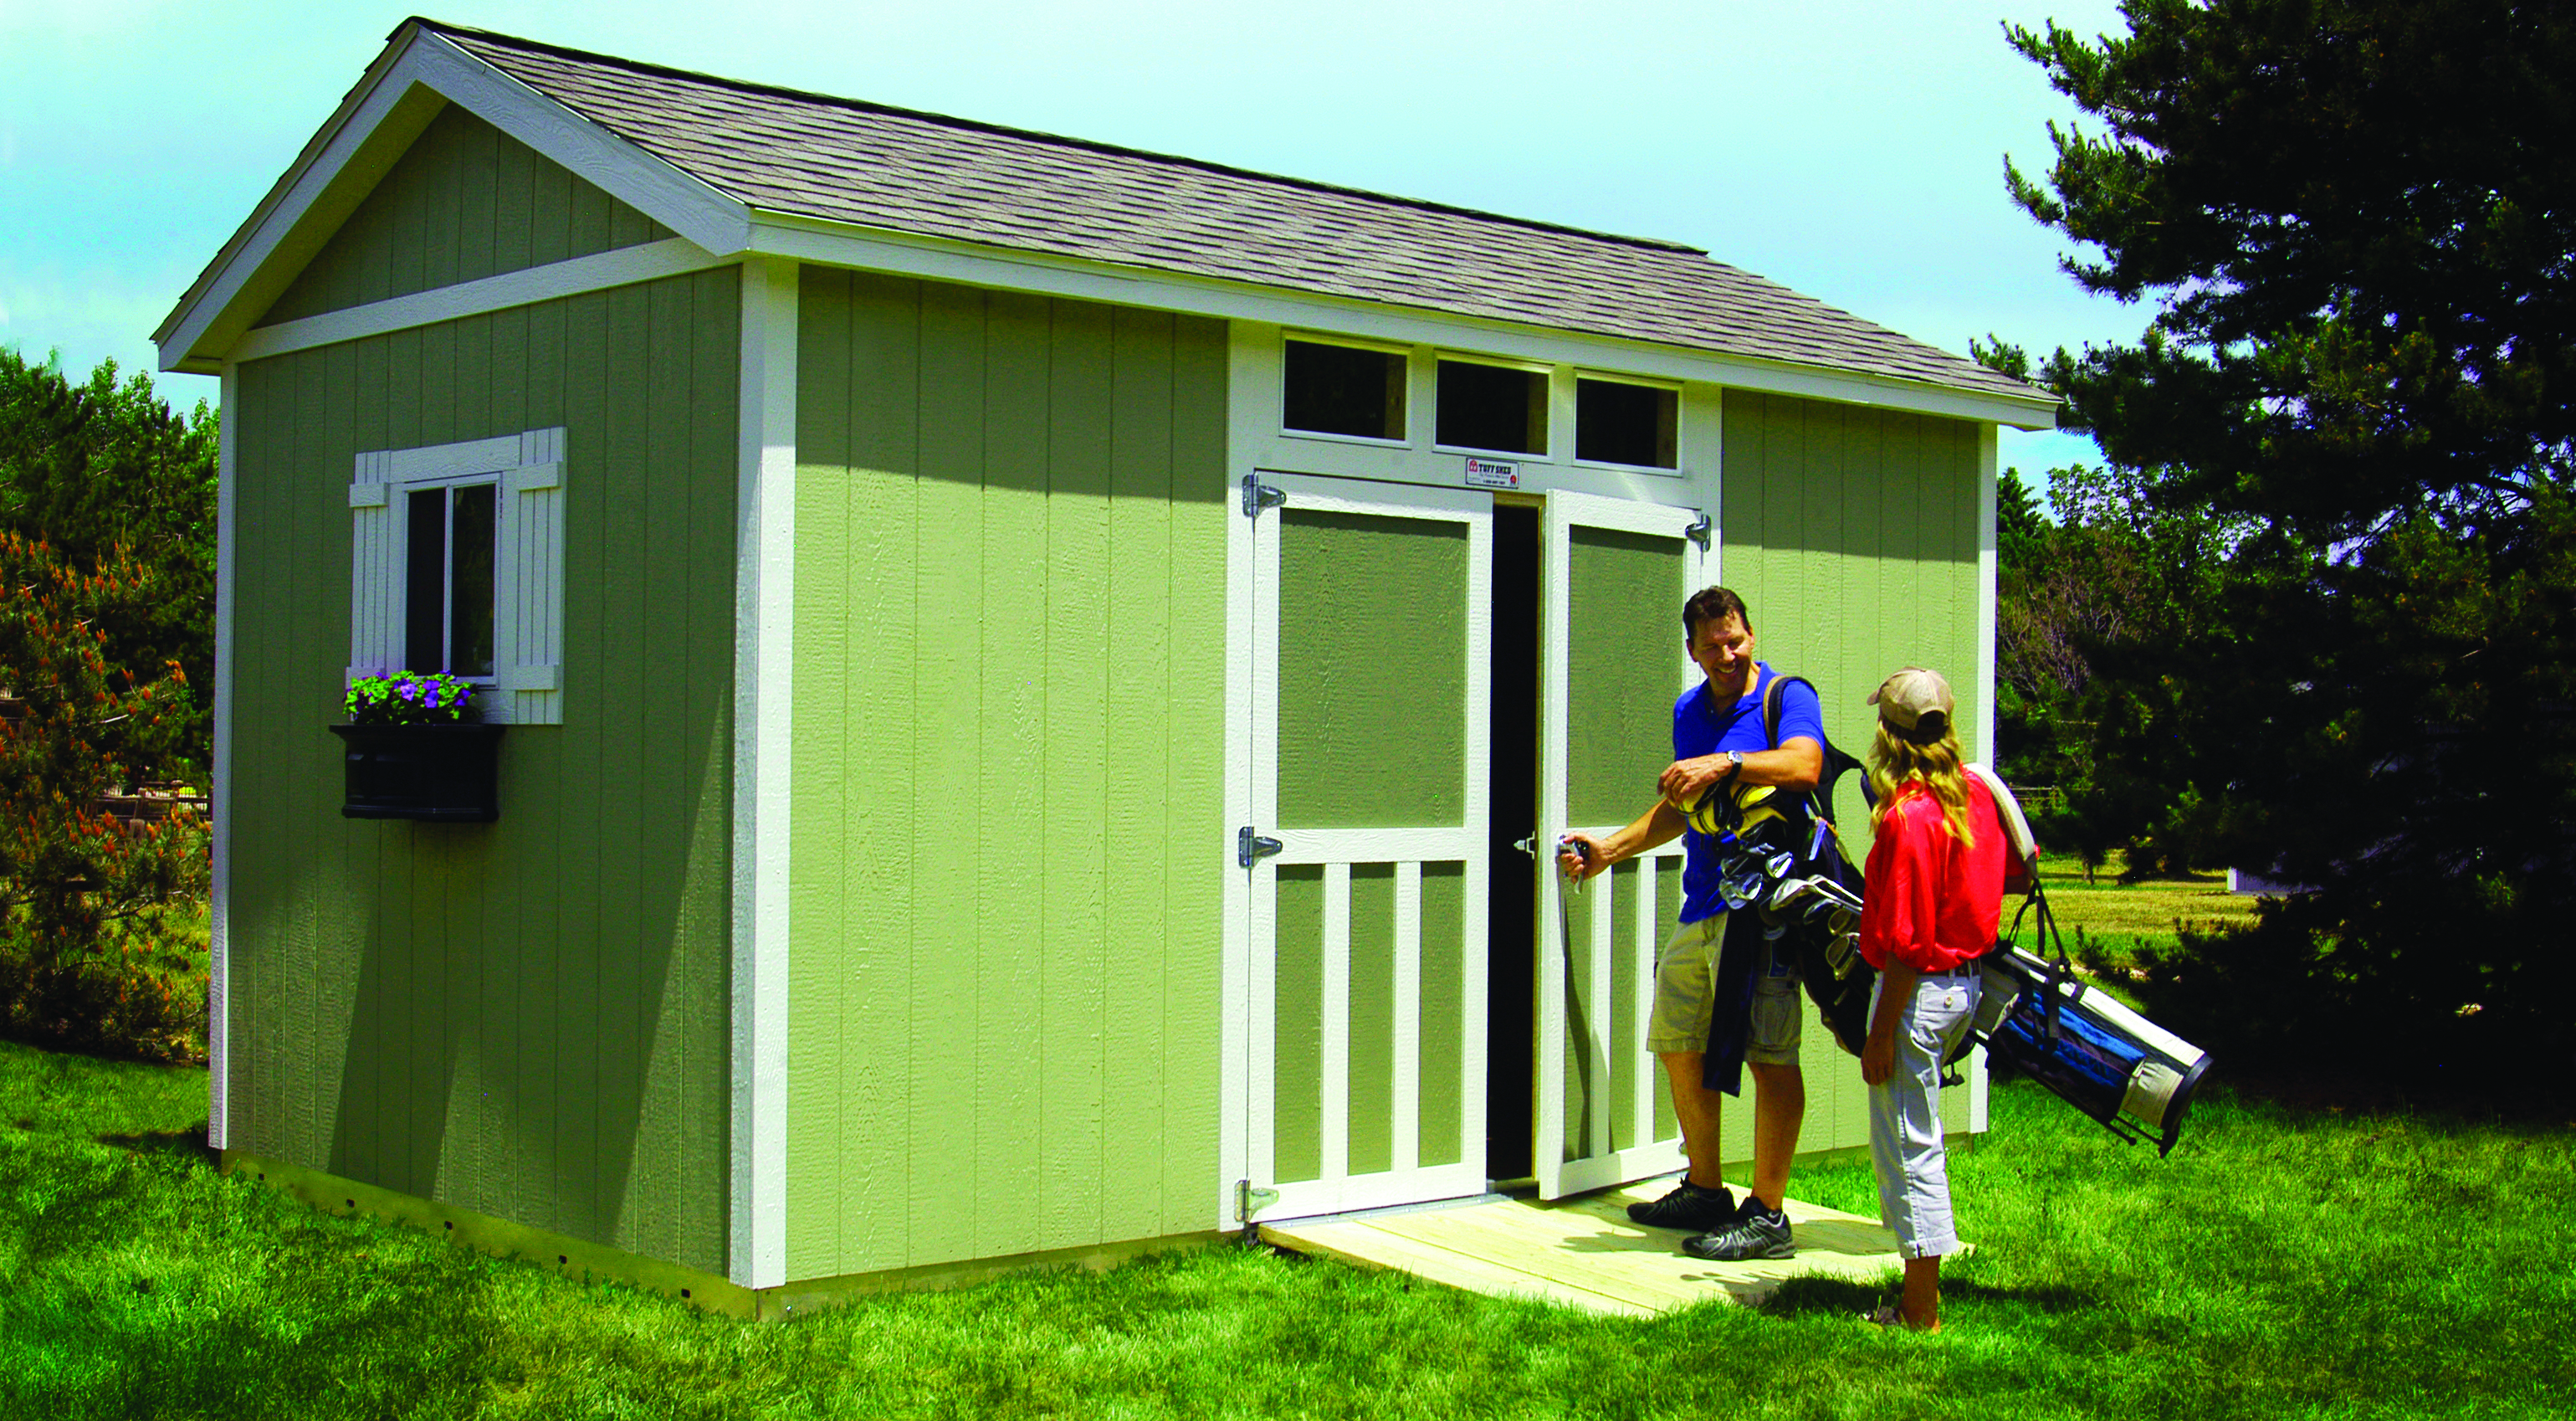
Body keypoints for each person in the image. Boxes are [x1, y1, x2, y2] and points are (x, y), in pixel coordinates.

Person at [1559, 587, 1823, 1261]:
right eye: (1712, 647)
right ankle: (1705, 1190)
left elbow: (1804, 763)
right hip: (1701, 903)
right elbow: (1681, 806)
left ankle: (1767, 1215)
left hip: (1763, 912)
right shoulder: (1688, 710)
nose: (1726, 654)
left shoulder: (1785, 696)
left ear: (1750, 635)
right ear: (1692, 651)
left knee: (1768, 1054)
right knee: (1678, 1042)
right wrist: (1607, 850)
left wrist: (1726, 761)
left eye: (1735, 640)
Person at [1855, 666, 2003, 1331]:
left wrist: (1881, 1031)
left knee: (1911, 1147)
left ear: (1887, 734)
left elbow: (1906, 943)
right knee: (1917, 1139)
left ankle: (1920, 1312)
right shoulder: (1975, 795)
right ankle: (1919, 1293)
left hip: (1916, 992)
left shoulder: (1909, 818)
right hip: (1964, 986)